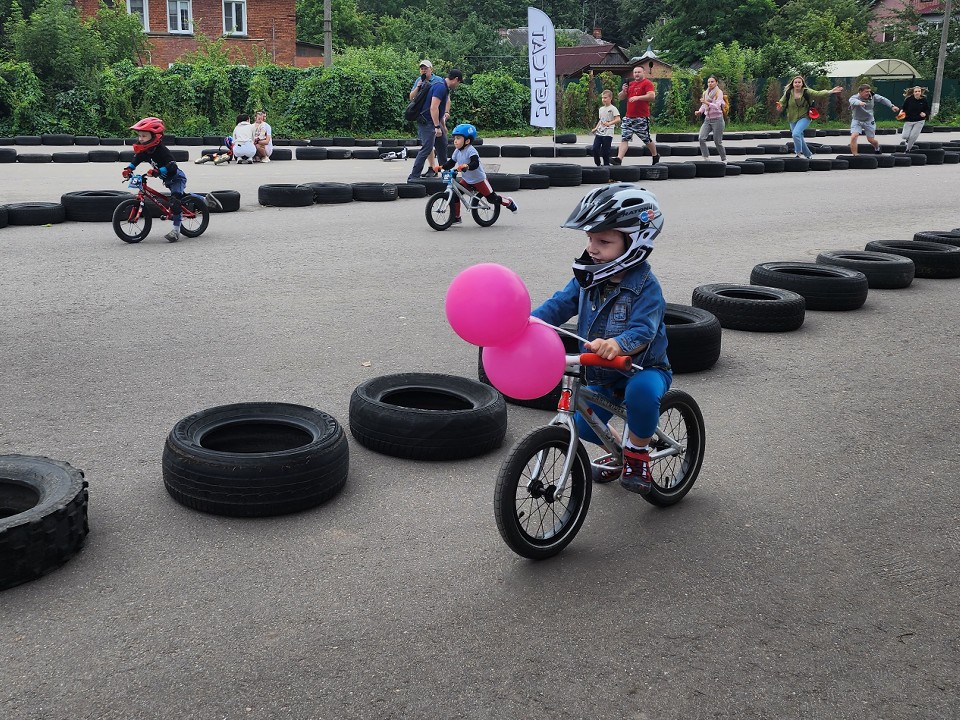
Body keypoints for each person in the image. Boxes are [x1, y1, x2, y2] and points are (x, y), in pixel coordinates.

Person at [529, 184, 671, 495]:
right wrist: (530, 321)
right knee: (580, 427)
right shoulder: (589, 275)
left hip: (641, 368)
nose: (592, 248)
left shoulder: (646, 286)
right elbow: (560, 304)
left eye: (604, 241)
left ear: (635, 243)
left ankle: (637, 455)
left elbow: (644, 330)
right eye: (590, 239)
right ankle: (621, 447)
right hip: (600, 372)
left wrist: (618, 344)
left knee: (642, 396)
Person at [121, 117, 220, 239]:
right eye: (139, 136)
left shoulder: (161, 150)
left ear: (155, 136)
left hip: (177, 178)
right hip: (168, 180)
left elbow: (172, 165)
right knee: (182, 197)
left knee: (174, 202)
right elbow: (136, 160)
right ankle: (205, 200)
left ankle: (176, 231)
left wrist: (158, 171)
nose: (140, 139)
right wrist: (128, 169)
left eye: (144, 136)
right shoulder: (145, 151)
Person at [433, 123, 517, 224]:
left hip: (479, 180)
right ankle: (456, 217)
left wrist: (467, 166)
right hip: (467, 180)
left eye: (458, 138)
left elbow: (475, 163)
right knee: (455, 196)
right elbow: (451, 162)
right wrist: (442, 167)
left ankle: (508, 202)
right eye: (454, 138)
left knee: (492, 198)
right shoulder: (457, 151)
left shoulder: (471, 150)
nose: (455, 141)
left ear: (467, 141)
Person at [408, 69, 463, 182]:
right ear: (456, 79)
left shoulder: (444, 87)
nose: (457, 85)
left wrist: (443, 126)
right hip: (427, 121)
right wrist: (437, 127)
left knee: (442, 145)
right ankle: (413, 177)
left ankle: (445, 174)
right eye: (459, 83)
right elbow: (434, 107)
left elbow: (441, 110)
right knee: (427, 148)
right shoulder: (440, 87)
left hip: (434, 122)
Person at [775, 76, 843, 159]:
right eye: (795, 82)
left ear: (802, 83)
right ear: (792, 84)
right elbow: (782, 102)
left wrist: (831, 91)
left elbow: (818, 93)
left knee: (795, 134)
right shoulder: (788, 93)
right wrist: (780, 106)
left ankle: (798, 153)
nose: (797, 84)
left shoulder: (807, 92)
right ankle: (808, 154)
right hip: (792, 117)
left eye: (799, 82)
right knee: (799, 136)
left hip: (805, 116)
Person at [612, 65, 659, 166]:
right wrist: (623, 91)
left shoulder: (647, 83)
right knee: (625, 138)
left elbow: (652, 96)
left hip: (641, 117)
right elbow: (620, 97)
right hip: (629, 117)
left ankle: (655, 155)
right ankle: (619, 159)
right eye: (635, 72)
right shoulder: (631, 84)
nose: (636, 74)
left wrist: (638, 97)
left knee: (646, 139)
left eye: (639, 72)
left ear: (643, 73)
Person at [409, 61, 444, 176]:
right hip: (423, 117)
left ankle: (444, 170)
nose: (423, 70)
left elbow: (446, 98)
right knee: (427, 144)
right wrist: (418, 86)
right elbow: (411, 97)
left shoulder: (438, 81)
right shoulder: (419, 81)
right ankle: (432, 167)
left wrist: (445, 115)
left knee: (440, 145)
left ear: (431, 69)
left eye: (426, 68)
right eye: (422, 68)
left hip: (436, 116)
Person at [848, 84, 899, 155]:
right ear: (860, 92)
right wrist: (860, 103)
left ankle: (877, 148)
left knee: (871, 140)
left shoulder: (873, 96)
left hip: (869, 120)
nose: (868, 93)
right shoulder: (855, 97)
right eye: (866, 91)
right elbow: (852, 100)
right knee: (854, 136)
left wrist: (892, 106)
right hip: (857, 120)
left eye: (869, 91)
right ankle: (855, 156)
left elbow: (883, 99)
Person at [590, 89, 621, 166]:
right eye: (602, 98)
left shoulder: (613, 108)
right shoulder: (601, 109)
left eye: (605, 98)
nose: (603, 99)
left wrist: (609, 123)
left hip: (608, 133)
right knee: (595, 148)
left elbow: (618, 119)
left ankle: (606, 166)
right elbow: (601, 120)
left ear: (610, 98)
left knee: (605, 152)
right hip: (600, 132)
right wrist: (596, 128)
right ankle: (598, 164)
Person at [899, 86, 930, 152]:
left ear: (921, 92)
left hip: (919, 120)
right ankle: (907, 140)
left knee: (913, 137)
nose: (917, 93)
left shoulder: (924, 100)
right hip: (909, 120)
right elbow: (903, 108)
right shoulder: (909, 99)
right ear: (913, 93)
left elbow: (927, 110)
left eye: (919, 91)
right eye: (916, 91)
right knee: (905, 136)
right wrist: (901, 113)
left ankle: (908, 149)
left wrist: (925, 113)